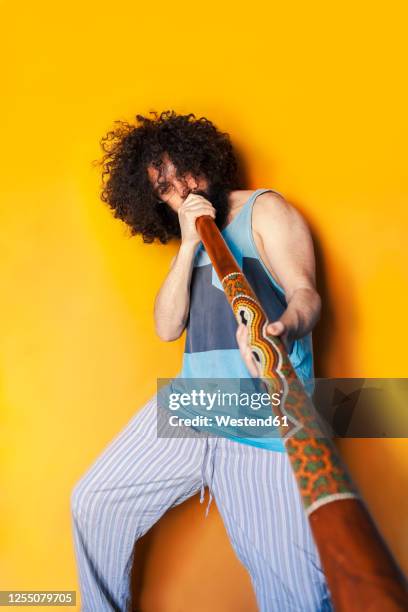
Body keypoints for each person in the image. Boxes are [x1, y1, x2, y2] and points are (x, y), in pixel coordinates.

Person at [71, 110, 332, 611]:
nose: (181, 189)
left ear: (203, 159)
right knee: (95, 502)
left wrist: (284, 328)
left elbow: (306, 295)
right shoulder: (188, 241)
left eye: (182, 172)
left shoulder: (265, 209)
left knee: (294, 591)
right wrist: (190, 243)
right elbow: (167, 326)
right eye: (164, 188)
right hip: (193, 405)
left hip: (267, 420)